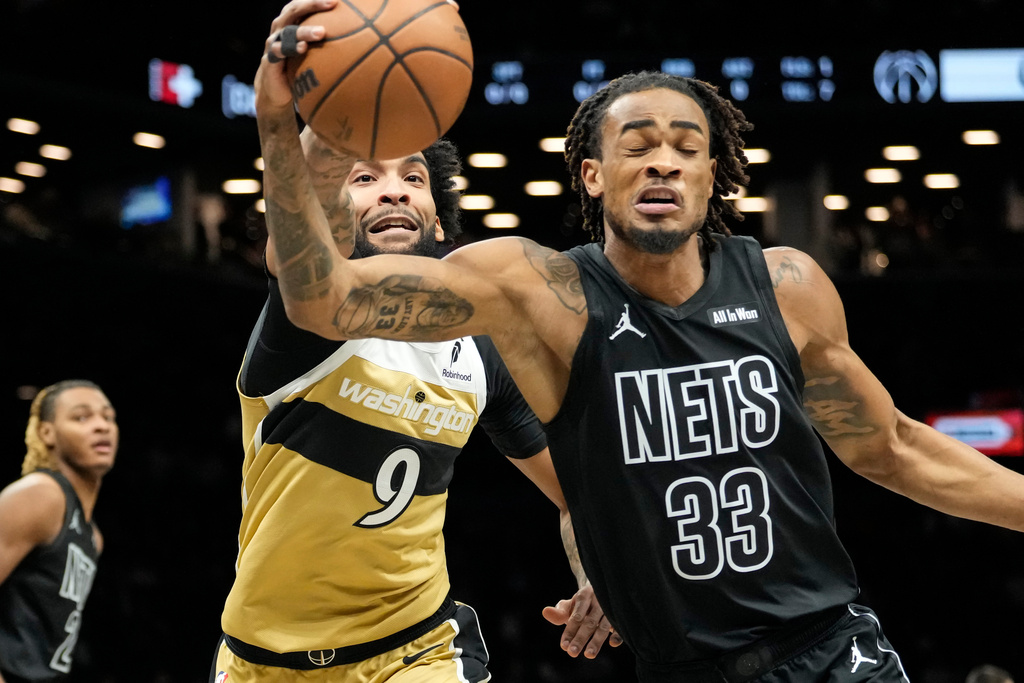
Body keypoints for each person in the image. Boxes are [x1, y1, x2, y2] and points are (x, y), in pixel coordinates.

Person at [257, 7, 1024, 681]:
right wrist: (289, 127)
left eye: (686, 147)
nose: (664, 159)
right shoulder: (536, 295)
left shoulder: (787, 286)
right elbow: (325, 299)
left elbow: (894, 446)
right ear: (591, 175)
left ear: (713, 174)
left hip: (830, 650)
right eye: (638, 145)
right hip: (682, 666)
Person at [212, 6, 619, 679]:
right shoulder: (304, 321)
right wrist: (293, 117)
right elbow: (300, 249)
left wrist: (598, 567)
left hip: (417, 648)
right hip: (260, 658)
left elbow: (578, 487)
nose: (393, 192)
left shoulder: (480, 348)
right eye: (364, 178)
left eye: (414, 178)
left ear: (437, 214)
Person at [0, 380, 118, 683]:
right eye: (81, 417)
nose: (101, 426)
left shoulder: (93, 536)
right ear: (46, 432)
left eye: (108, 417)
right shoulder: (41, 495)